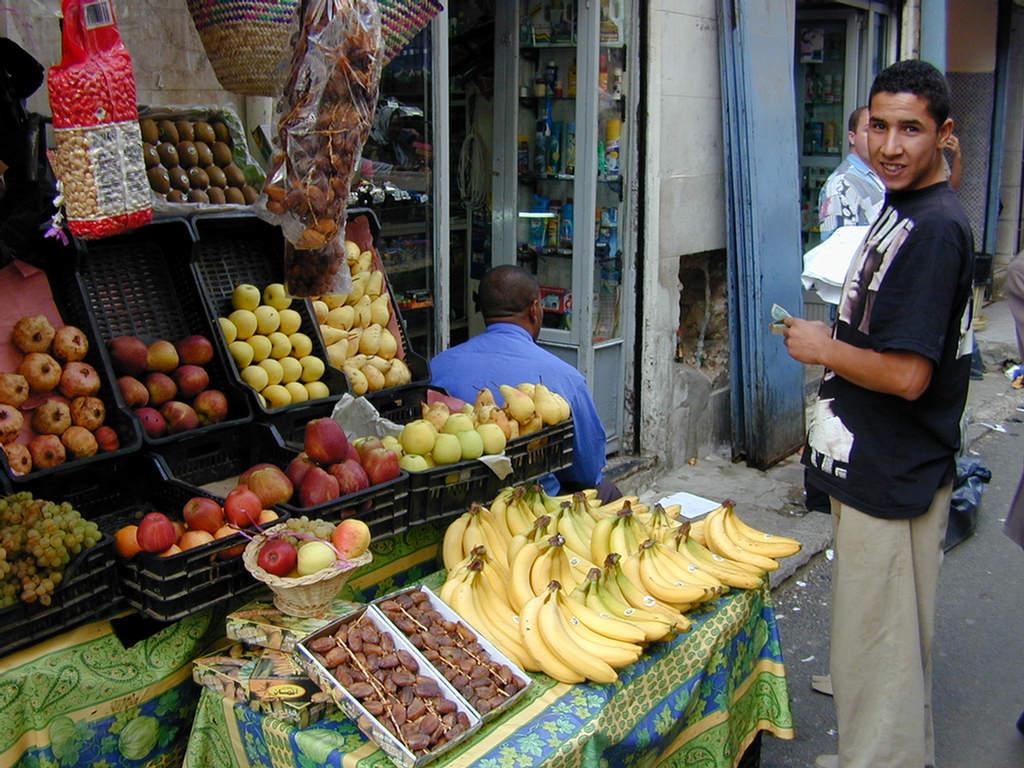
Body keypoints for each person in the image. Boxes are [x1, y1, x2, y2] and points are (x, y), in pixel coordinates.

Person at [783, 60, 974, 768]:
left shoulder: (934, 230)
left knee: (882, 650)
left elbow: (909, 375)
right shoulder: (910, 203)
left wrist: (823, 346)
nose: (890, 146)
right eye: (879, 127)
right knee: (871, 645)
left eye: (911, 130)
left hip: (896, 468)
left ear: (943, 133)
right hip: (872, 463)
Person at [429, 265, 615, 500]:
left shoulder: (437, 366)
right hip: (530, 503)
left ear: (482, 311)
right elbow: (588, 471)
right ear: (534, 309)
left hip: (450, 497)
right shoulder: (565, 378)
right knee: (608, 492)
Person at [817, 105, 886, 240]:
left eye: (880, 129)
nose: (876, 137)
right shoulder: (841, 185)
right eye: (868, 130)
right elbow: (838, 246)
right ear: (852, 137)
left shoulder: (881, 177)